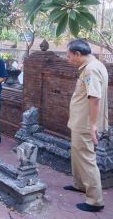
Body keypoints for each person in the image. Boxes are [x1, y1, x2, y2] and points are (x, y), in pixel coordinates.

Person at [64, 39, 107, 212]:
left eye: (69, 56)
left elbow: (94, 98)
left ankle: (95, 201)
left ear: (77, 54)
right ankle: (80, 184)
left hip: (85, 124)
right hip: (80, 121)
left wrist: (93, 125)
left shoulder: (90, 70)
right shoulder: (95, 65)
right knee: (77, 154)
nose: (68, 60)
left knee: (86, 158)